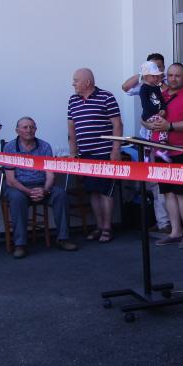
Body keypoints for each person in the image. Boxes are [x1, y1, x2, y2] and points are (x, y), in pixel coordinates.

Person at [2, 117, 79, 259]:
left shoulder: (44, 146)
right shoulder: (9, 147)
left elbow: (50, 175)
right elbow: (11, 180)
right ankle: (20, 244)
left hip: (42, 186)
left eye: (32, 127)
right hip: (19, 188)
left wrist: (45, 190)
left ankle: (63, 239)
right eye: (25, 127)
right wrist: (28, 191)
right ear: (17, 131)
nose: (29, 130)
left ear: (36, 129)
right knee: (17, 198)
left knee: (60, 194)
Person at [148, 62, 183, 248]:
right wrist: (150, 124)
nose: (173, 79)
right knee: (168, 193)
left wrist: (169, 126)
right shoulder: (159, 96)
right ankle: (175, 232)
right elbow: (146, 118)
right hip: (161, 151)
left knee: (182, 194)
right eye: (170, 75)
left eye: (177, 75)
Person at [67, 67, 122, 242]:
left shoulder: (106, 97)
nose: (73, 84)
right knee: (93, 192)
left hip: (105, 153)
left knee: (106, 192)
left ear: (88, 82)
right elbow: (71, 128)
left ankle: (107, 228)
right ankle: (99, 227)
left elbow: (117, 124)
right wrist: (73, 153)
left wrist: (116, 150)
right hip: (85, 154)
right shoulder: (72, 100)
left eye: (76, 80)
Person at [122, 52, 171, 234]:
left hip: (167, 138)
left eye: (159, 67)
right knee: (154, 181)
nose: (156, 71)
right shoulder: (145, 85)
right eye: (153, 68)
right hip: (148, 139)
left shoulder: (169, 85)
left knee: (166, 181)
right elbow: (125, 87)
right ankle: (162, 221)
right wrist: (143, 73)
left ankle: (170, 222)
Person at [137, 61, 171, 161]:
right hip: (148, 115)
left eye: (157, 76)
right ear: (145, 76)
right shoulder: (143, 89)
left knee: (150, 134)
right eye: (153, 76)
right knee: (163, 124)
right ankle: (162, 148)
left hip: (156, 114)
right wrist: (157, 110)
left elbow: (162, 100)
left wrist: (163, 109)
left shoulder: (156, 88)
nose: (156, 78)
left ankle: (147, 154)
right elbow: (145, 104)